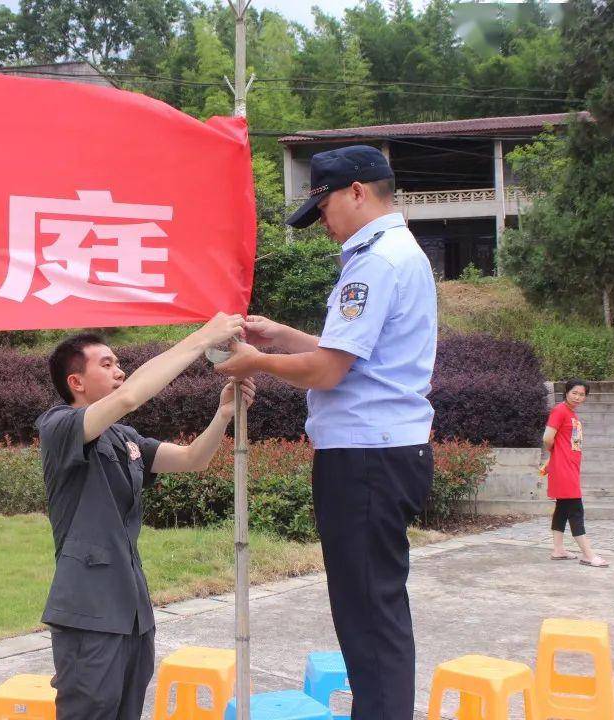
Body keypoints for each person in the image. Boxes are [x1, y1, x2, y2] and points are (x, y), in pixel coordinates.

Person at [213, 145, 435, 720]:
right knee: (372, 610)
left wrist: (251, 362)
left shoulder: (375, 261)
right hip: (380, 453)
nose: (324, 225)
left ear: (357, 191)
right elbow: (350, 355)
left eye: (325, 208)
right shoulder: (392, 252)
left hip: (366, 458)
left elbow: (330, 370)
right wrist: (282, 335)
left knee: (368, 615)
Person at [36, 314, 254, 720]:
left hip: (133, 610)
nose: (119, 371)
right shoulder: (59, 427)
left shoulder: (124, 438)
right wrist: (201, 338)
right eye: (106, 364)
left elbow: (193, 459)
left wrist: (223, 414)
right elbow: (129, 398)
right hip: (89, 610)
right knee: (90, 711)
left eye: (119, 363)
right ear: (76, 383)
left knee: (127, 711)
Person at [540, 379, 607, 568]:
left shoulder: (572, 414)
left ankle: (558, 550)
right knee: (576, 509)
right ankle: (588, 554)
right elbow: (547, 438)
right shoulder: (560, 411)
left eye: (582, 394)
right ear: (566, 392)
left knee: (562, 508)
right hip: (563, 468)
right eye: (574, 393)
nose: (578, 397)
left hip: (569, 466)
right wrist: (556, 456)